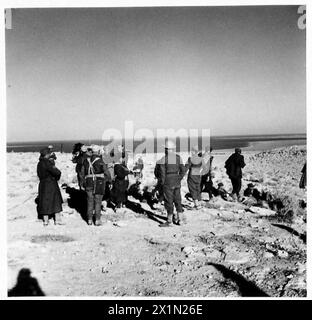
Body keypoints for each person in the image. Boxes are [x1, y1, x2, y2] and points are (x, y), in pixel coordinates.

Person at [80, 145, 111, 226]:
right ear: (98, 151)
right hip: (99, 183)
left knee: (90, 201)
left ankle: (89, 220)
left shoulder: (86, 161)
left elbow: (82, 173)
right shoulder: (100, 161)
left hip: (88, 183)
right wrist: (109, 181)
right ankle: (97, 220)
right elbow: (106, 172)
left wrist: (82, 184)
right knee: (98, 201)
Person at [158, 140, 186, 227]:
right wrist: (179, 178)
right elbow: (183, 170)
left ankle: (169, 221)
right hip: (177, 181)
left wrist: (162, 184)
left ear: (166, 149)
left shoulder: (163, 159)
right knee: (178, 200)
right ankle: (180, 220)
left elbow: (162, 174)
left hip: (167, 182)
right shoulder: (178, 157)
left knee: (169, 202)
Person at [36, 147, 64, 226]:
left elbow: (39, 174)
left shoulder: (39, 163)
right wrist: (57, 176)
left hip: (42, 184)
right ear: (47, 154)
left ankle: (46, 221)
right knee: (56, 201)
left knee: (44, 202)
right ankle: (57, 220)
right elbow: (57, 172)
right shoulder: (47, 163)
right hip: (50, 183)